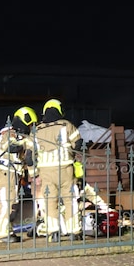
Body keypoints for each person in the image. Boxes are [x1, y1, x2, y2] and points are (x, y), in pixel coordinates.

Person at [33, 98, 84, 241]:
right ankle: (74, 231)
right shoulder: (66, 125)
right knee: (70, 199)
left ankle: (53, 232)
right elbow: (78, 144)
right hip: (65, 168)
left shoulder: (36, 130)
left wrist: (34, 174)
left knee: (50, 201)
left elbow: (30, 155)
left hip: (46, 171)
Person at [0, 106, 36, 243]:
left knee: (12, 203)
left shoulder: (19, 136)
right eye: (30, 124)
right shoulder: (8, 133)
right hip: (4, 172)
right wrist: (26, 142)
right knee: (6, 203)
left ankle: (8, 230)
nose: (31, 127)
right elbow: (11, 147)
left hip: (13, 174)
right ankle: (1, 234)